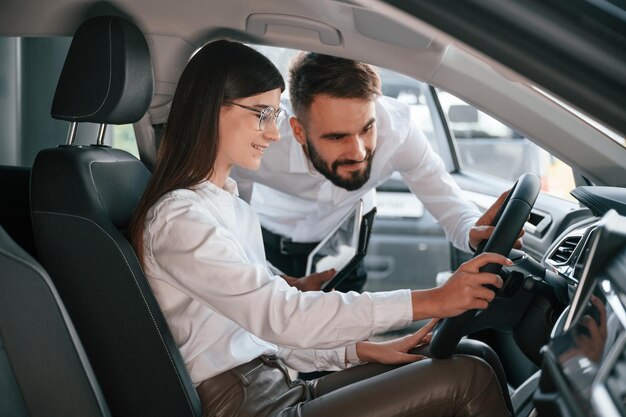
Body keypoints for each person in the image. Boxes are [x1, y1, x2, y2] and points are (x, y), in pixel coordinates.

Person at [129, 39, 512, 417]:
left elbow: (261, 332)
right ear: (210, 110)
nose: (273, 133)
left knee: (468, 353)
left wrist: (356, 350)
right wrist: (432, 300)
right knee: (468, 377)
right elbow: (280, 315)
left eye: (273, 115)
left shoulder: (230, 208)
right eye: (262, 114)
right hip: (243, 404)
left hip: (277, 384)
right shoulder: (180, 217)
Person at [231, 53, 520, 293]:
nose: (358, 152)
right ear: (298, 131)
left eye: (367, 128)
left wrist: (474, 231)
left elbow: (450, 205)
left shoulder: (399, 131)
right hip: (265, 248)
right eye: (336, 137)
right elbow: (227, 216)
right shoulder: (261, 140)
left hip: (343, 255)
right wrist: (265, 277)